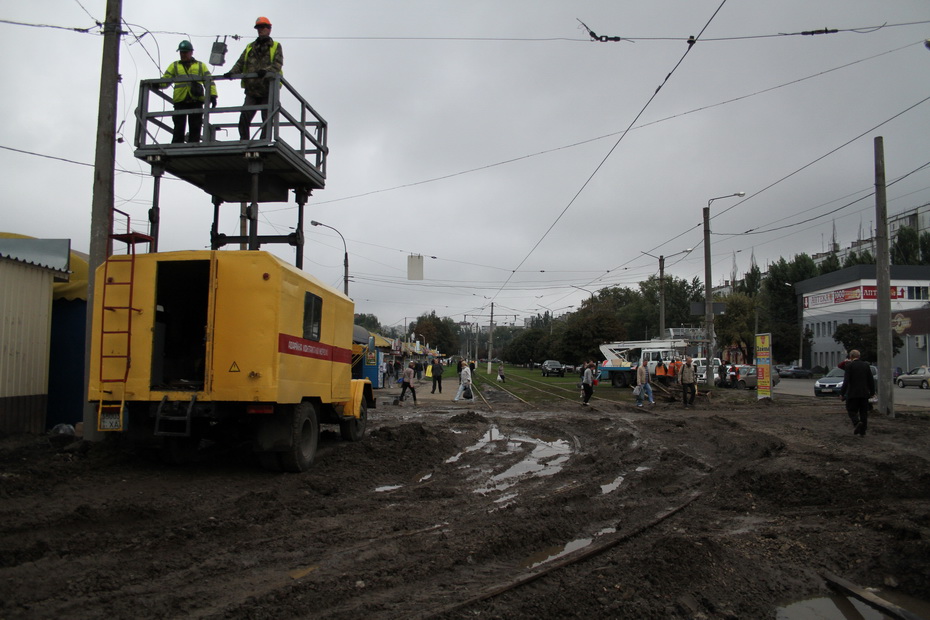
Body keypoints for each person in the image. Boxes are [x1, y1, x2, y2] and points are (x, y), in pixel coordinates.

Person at [226, 16, 284, 140]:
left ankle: (263, 141)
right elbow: (240, 63)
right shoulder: (250, 47)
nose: (260, 30)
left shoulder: (276, 46)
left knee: (267, 117)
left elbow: (277, 64)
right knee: (244, 117)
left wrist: (266, 71)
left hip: (268, 89)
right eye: (258, 27)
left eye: (263, 27)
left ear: (269, 29)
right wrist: (231, 72)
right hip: (252, 89)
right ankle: (244, 141)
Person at [160, 40, 217, 144]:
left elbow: (209, 82)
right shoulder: (175, 66)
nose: (183, 54)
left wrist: (213, 95)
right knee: (179, 125)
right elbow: (165, 80)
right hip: (180, 100)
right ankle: (177, 144)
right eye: (181, 52)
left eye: (185, 52)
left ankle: (193, 144)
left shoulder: (200, 66)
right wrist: (157, 84)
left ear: (191, 52)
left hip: (196, 100)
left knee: (195, 125)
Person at [840, 349, 875, 436]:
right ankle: (862, 432)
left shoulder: (849, 366)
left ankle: (856, 423)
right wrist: (872, 392)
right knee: (863, 413)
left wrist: (842, 393)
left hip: (853, 393)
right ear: (859, 356)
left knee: (851, 410)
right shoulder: (866, 365)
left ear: (851, 357)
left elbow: (846, 381)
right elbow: (871, 380)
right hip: (864, 393)